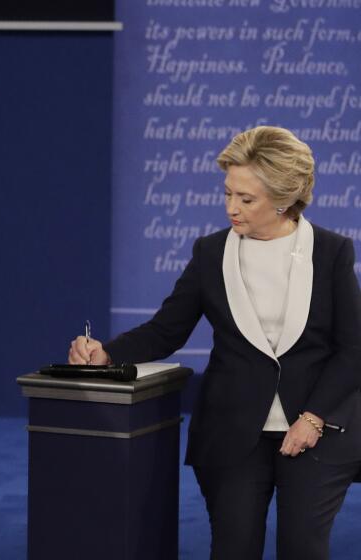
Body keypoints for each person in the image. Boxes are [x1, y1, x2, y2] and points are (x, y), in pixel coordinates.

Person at [68, 126, 361, 559]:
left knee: (303, 548)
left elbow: (352, 349)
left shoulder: (332, 253)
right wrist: (107, 353)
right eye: (228, 194)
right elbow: (166, 330)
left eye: (246, 199)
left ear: (282, 198)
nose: (232, 208)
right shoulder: (210, 253)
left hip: (316, 431)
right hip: (232, 431)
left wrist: (314, 418)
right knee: (233, 549)